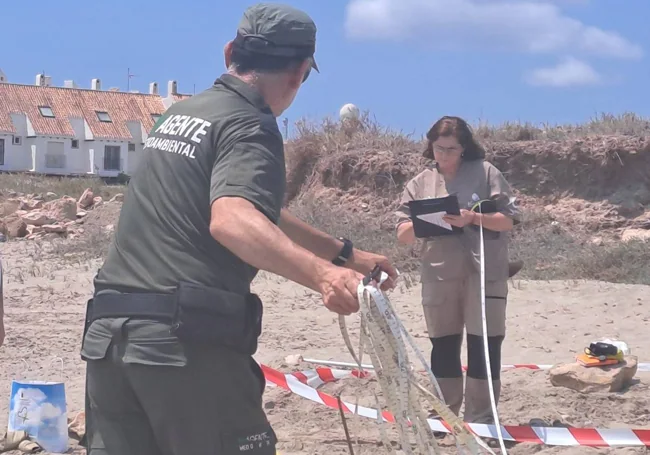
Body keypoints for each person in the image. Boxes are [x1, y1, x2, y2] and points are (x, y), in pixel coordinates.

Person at [80, 4, 397, 455]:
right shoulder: (250, 123)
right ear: (299, 72)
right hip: (181, 347)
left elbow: (247, 204)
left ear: (230, 51)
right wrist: (324, 276)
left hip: (110, 342)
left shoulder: (181, 114)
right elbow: (231, 217)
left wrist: (342, 254)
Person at [395, 116, 520, 424]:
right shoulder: (420, 183)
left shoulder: (486, 173)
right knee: (444, 344)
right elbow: (401, 233)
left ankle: (481, 418)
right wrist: (424, 223)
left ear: (464, 148)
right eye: (439, 148)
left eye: (451, 149)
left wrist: (472, 219)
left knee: (484, 343)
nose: (444, 155)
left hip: (484, 274)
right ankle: (444, 415)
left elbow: (509, 220)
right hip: (439, 273)